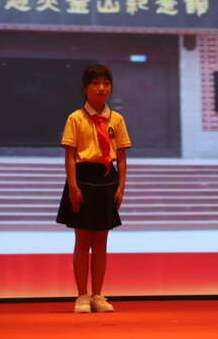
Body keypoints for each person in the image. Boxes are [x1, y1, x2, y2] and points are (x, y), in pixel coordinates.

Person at [55, 64, 131, 313]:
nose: (101, 88)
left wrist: (121, 187)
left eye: (106, 83)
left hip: (107, 180)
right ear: (85, 87)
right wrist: (74, 187)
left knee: (101, 241)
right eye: (96, 83)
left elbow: (121, 157)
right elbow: (69, 156)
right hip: (83, 178)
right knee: (82, 240)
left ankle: (98, 294)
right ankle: (81, 296)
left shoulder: (116, 120)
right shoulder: (75, 118)